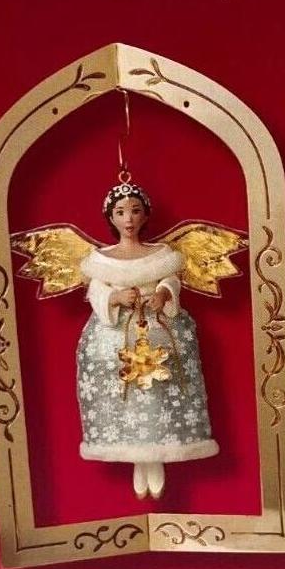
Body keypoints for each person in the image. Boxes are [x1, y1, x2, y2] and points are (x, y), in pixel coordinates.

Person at [76, 181, 219, 498]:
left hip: (157, 330)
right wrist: (114, 297)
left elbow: (171, 280)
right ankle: (138, 460)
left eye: (135, 211)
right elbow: (96, 290)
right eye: (120, 212)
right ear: (110, 217)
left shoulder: (162, 255)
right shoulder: (101, 260)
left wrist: (163, 293)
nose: (128, 219)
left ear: (145, 215)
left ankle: (155, 459)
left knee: (157, 394)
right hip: (115, 336)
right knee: (126, 395)